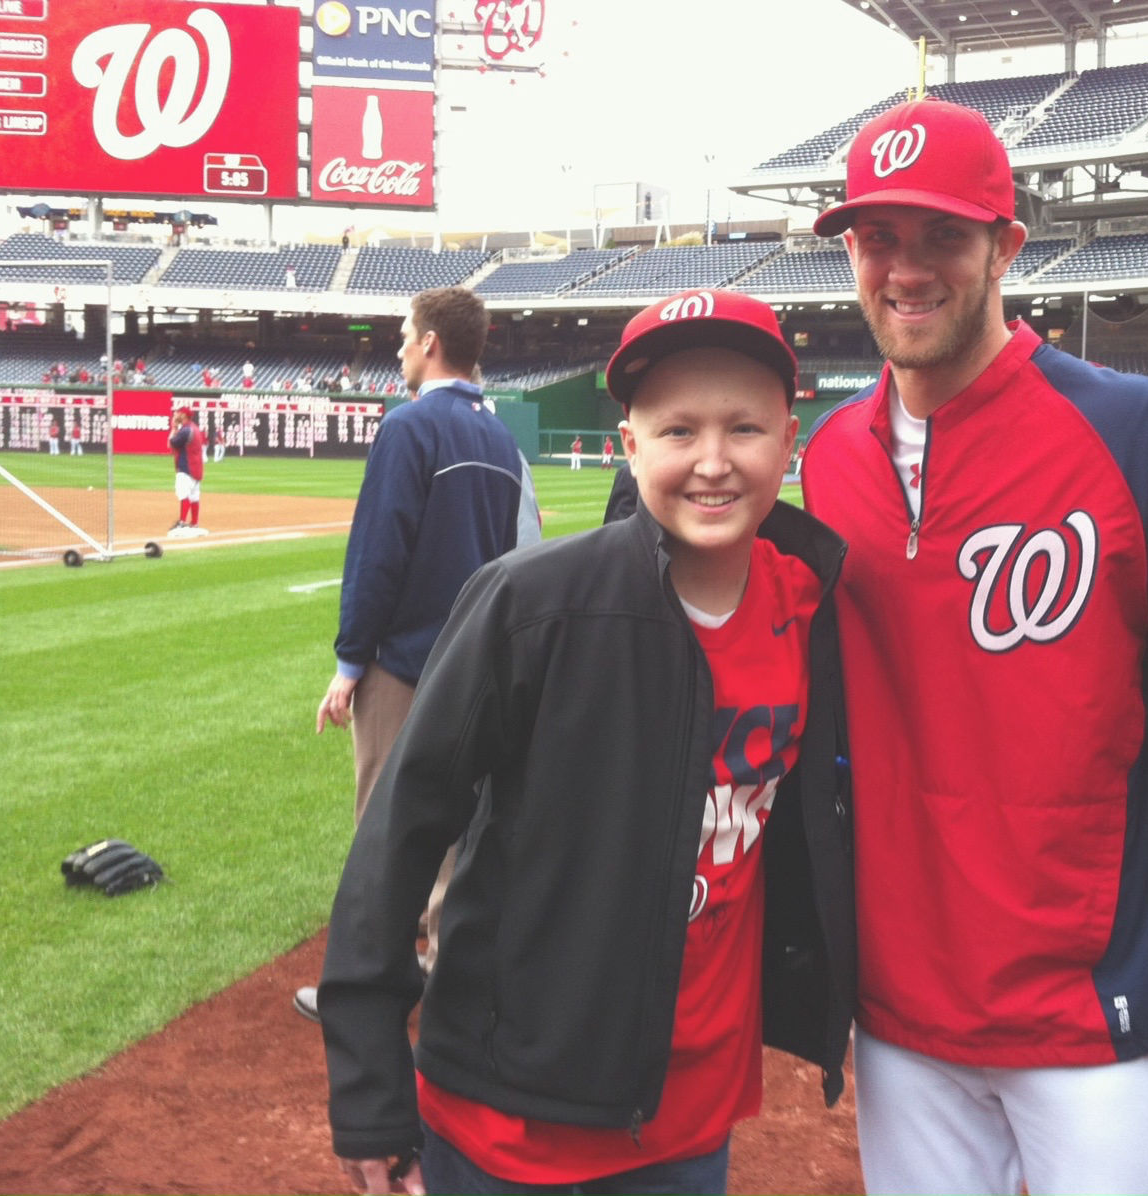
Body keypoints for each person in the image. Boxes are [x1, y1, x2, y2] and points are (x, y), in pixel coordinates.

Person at [799, 98, 1148, 1196]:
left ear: (1006, 246)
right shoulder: (823, 462)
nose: (905, 267)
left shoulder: (1129, 427)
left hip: (1101, 1008)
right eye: (876, 236)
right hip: (901, 1013)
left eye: (941, 234)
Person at [316, 288, 854, 1196]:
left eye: (746, 430)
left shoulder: (815, 605)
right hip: (511, 1123)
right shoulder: (533, 606)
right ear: (629, 444)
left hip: (693, 1117)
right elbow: (398, 837)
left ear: (790, 443)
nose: (713, 461)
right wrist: (370, 1091)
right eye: (678, 430)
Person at [298, 287, 539, 1025]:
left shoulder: (408, 429)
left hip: (402, 666)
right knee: (456, 821)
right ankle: (440, 960)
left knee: (384, 824)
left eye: (405, 335)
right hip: (472, 664)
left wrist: (347, 664)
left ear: (431, 342)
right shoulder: (501, 440)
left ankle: (368, 981)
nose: (399, 347)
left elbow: (377, 555)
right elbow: (518, 560)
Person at [167, 407, 207, 536]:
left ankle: (182, 522)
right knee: (194, 496)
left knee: (184, 495)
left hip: (186, 467)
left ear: (184, 415)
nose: (176, 414)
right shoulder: (195, 428)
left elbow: (170, 443)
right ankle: (194, 523)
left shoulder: (185, 430)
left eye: (178, 412)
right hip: (196, 467)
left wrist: (173, 427)